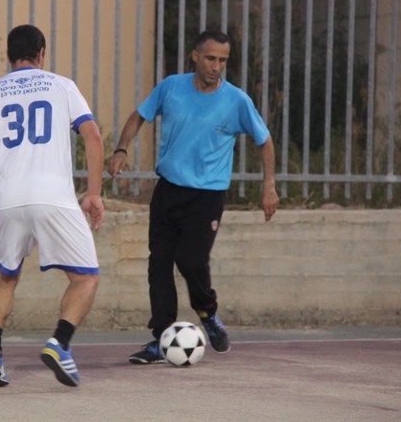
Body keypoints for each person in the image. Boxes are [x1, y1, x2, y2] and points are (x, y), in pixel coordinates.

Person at [108, 30, 279, 363]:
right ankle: (162, 338)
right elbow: (138, 116)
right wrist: (121, 149)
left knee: (190, 261)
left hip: (207, 197)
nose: (217, 66)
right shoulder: (171, 87)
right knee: (158, 265)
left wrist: (268, 184)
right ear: (195, 56)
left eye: (223, 61)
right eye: (211, 58)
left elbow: (265, 140)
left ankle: (208, 311)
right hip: (168, 190)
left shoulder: (236, 100)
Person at [0, 24, 105, 387]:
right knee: (86, 277)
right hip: (53, 198)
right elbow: (93, 136)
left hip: (6, 202)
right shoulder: (62, 86)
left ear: (8, 56)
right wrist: (94, 193)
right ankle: (60, 344)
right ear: (42, 54)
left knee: (7, 275)